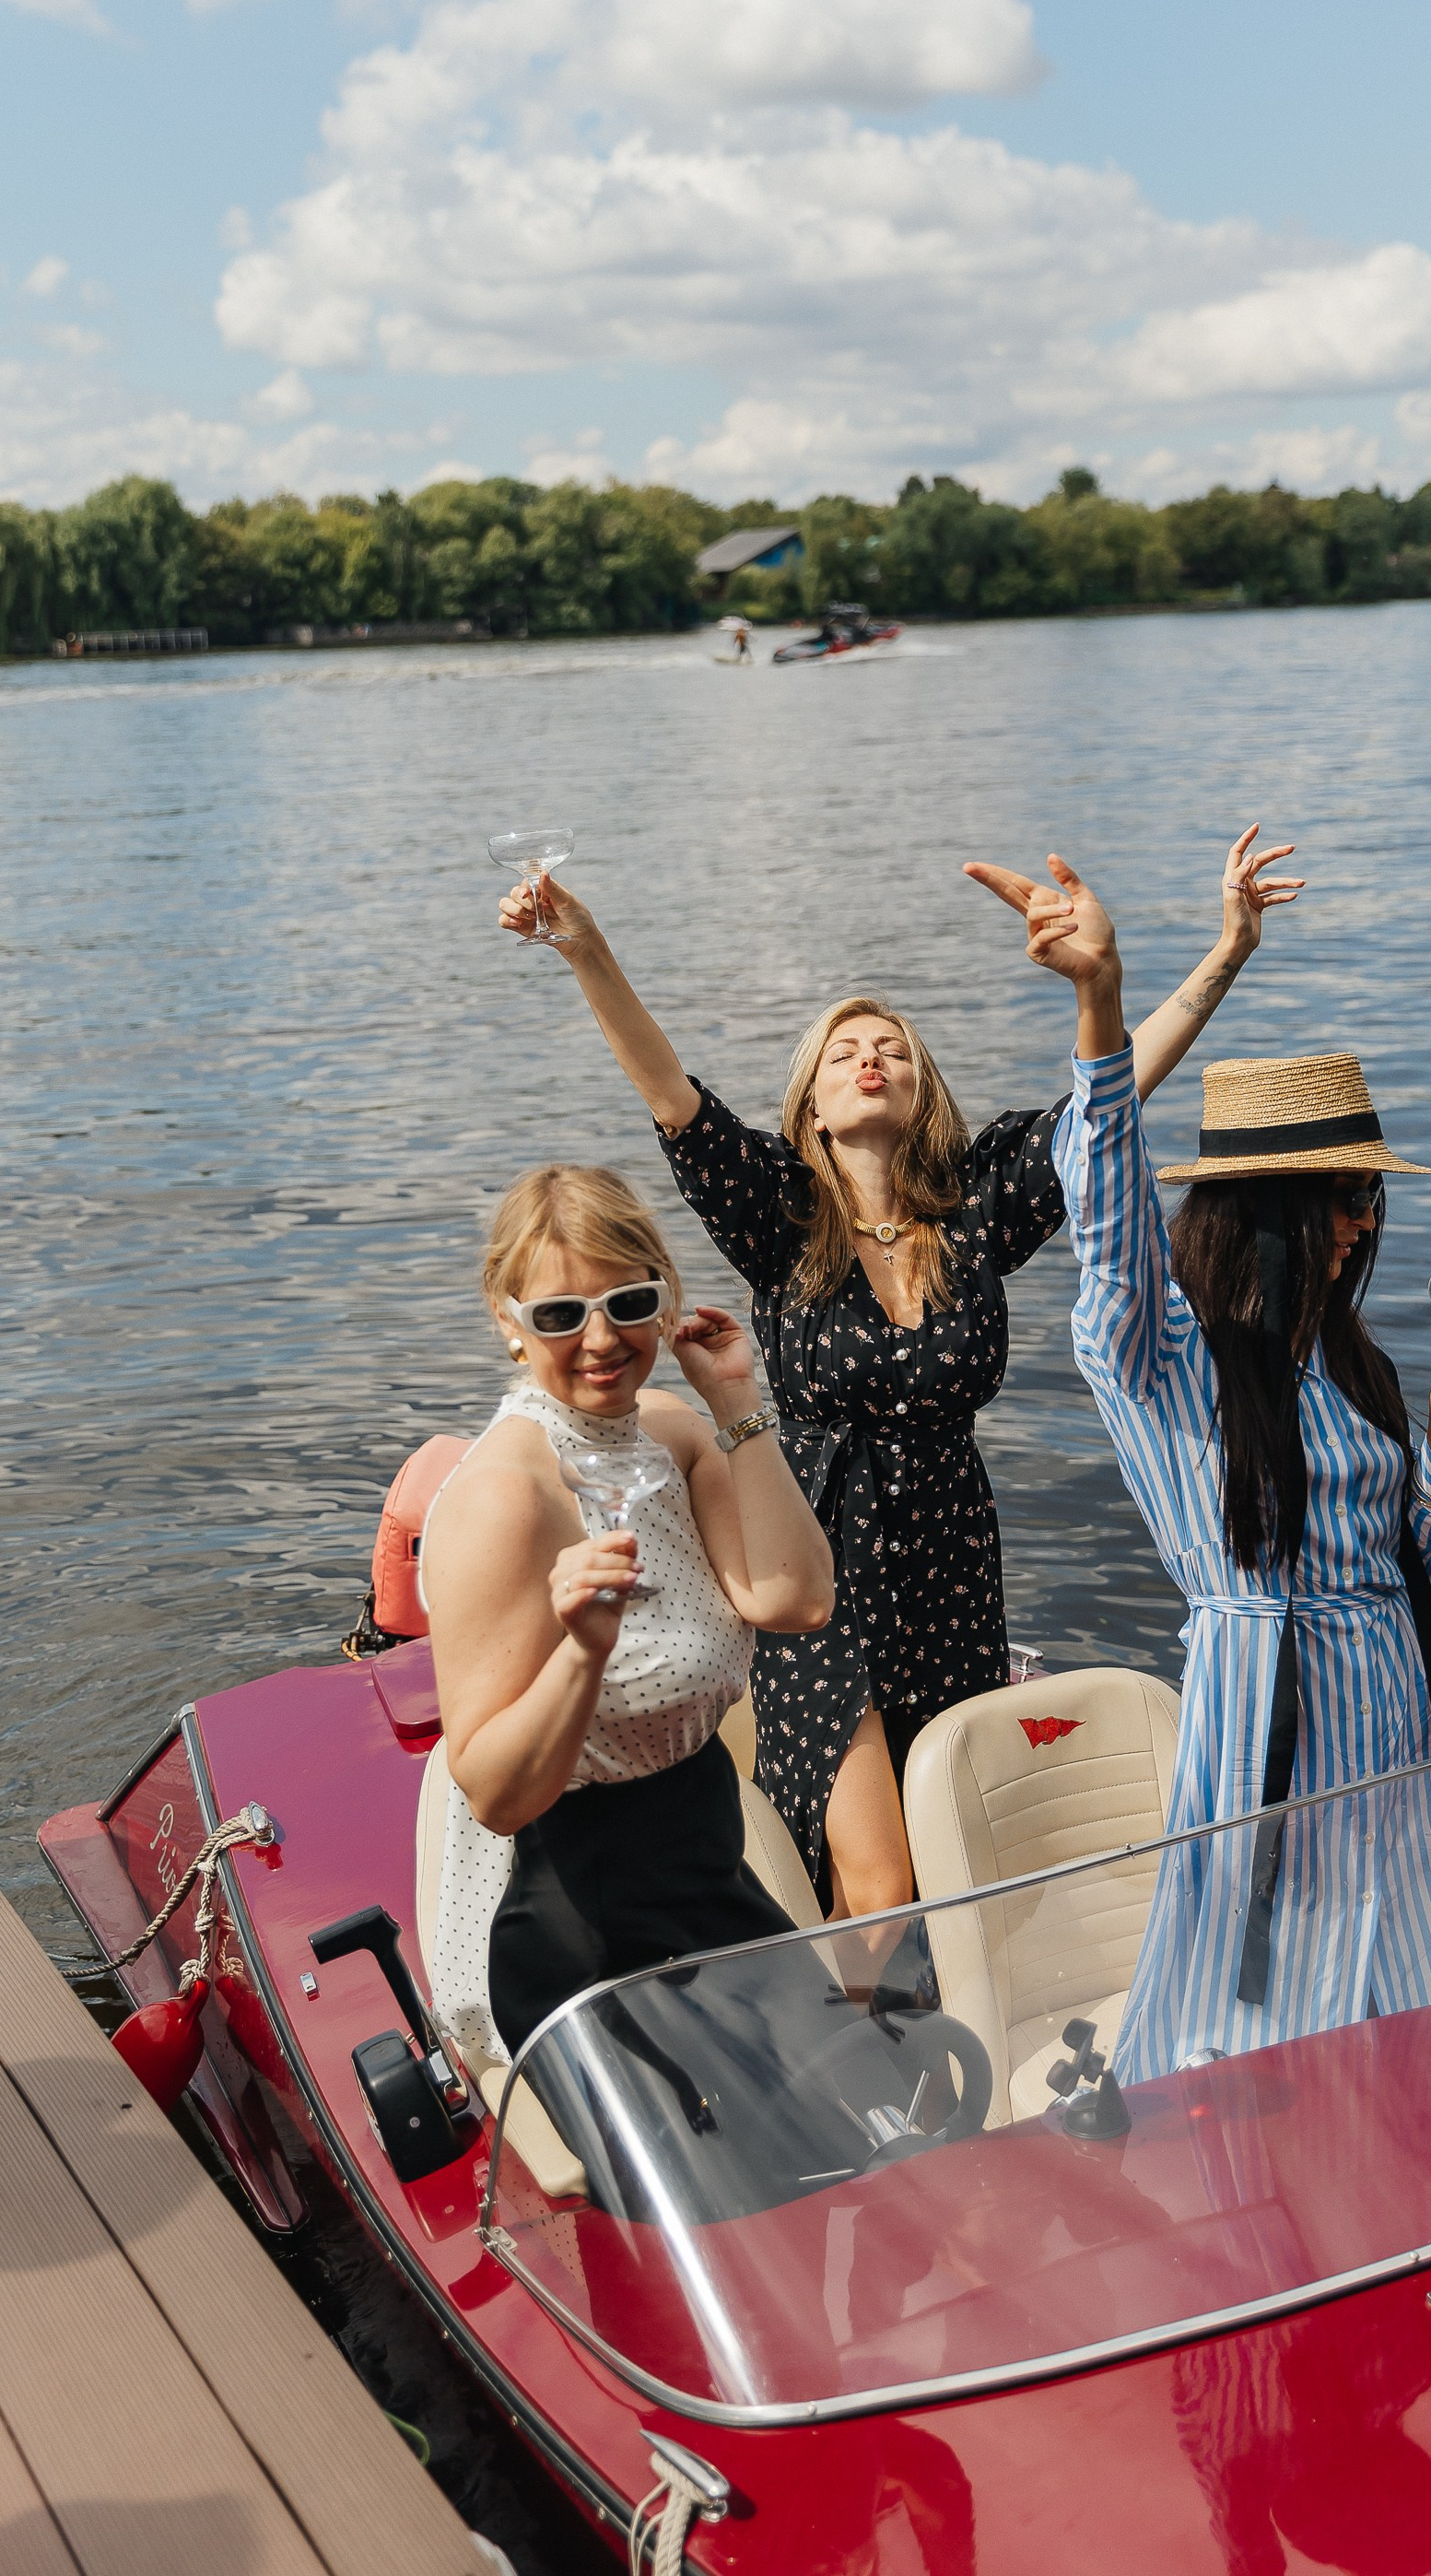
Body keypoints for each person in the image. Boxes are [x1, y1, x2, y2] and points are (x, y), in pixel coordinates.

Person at [499, 829, 1304, 1918]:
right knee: (878, 1876)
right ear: (813, 1110)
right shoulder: (780, 1217)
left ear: (921, 1096)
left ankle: (898, 2051)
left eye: (893, 1050)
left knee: (945, 1862)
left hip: (952, 1561)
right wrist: (585, 948)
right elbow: (670, 1096)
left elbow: (1108, 1097)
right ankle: (839, 2073)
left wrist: (1220, 954)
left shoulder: (974, 1210)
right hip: (819, 1558)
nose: (870, 1058)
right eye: (844, 1053)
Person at [974, 852, 1431, 2074]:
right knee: (1277, 2011)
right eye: (1341, 1198)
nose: (1366, 1223)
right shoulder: (1165, 1356)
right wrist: (1099, 1001)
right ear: (1267, 1209)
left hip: (1409, 1724)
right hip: (1272, 1721)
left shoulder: (1349, 1361)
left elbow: (1410, 1564)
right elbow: (1105, 1208)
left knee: (1430, 1996)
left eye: (1370, 1198)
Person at [419, 1162, 835, 2061]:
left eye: (628, 1302)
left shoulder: (674, 1434)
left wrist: (735, 1403)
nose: (601, 1338)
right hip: (579, 1928)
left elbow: (794, 1598)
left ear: (664, 1297)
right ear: (509, 1321)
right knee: (744, 2177)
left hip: (710, 1885)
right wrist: (579, 1655)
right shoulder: (504, 1500)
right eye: (561, 1315)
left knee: (862, 2125)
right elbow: (493, 1791)